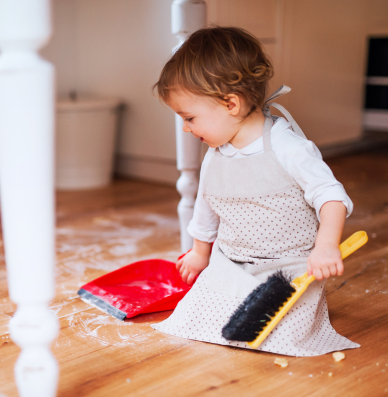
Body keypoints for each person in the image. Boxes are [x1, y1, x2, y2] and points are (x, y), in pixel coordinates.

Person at [150, 26, 359, 357]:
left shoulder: (286, 146)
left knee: (286, 333)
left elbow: (330, 196)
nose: (186, 128)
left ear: (230, 103)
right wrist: (200, 252)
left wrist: (326, 246)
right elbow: (206, 208)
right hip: (232, 259)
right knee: (195, 317)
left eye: (189, 117)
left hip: (289, 265)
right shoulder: (214, 156)